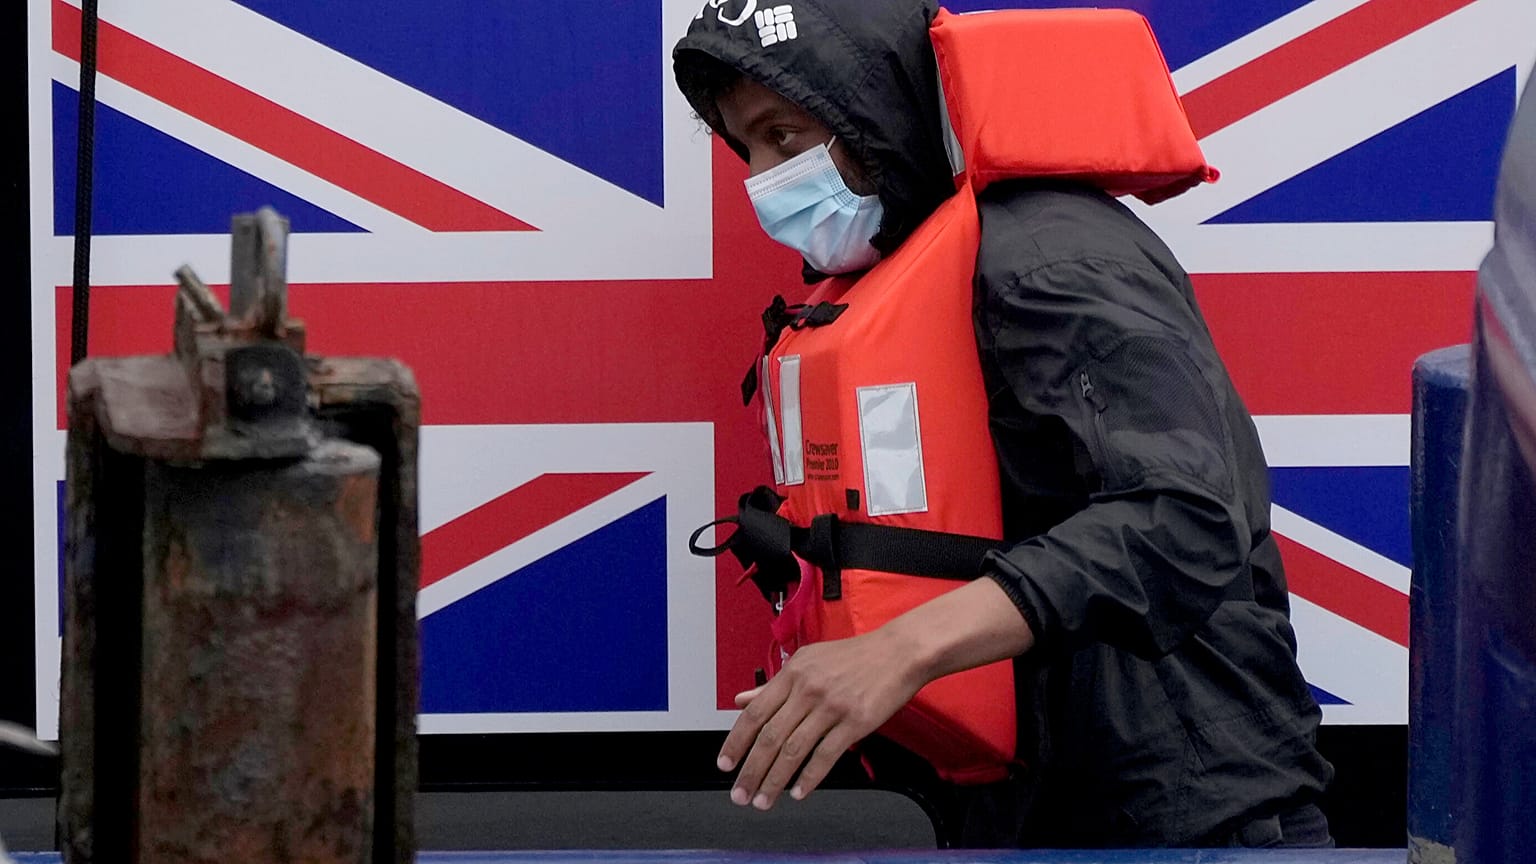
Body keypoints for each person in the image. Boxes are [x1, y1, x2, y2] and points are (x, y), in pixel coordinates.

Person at [672, 0, 1335, 848]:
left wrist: (899, 650)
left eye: (787, 139)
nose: (763, 178)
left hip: (1190, 817)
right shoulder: (914, 264)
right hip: (1035, 811)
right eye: (748, 147)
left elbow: (1188, 514)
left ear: (874, 111)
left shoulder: (1051, 254)